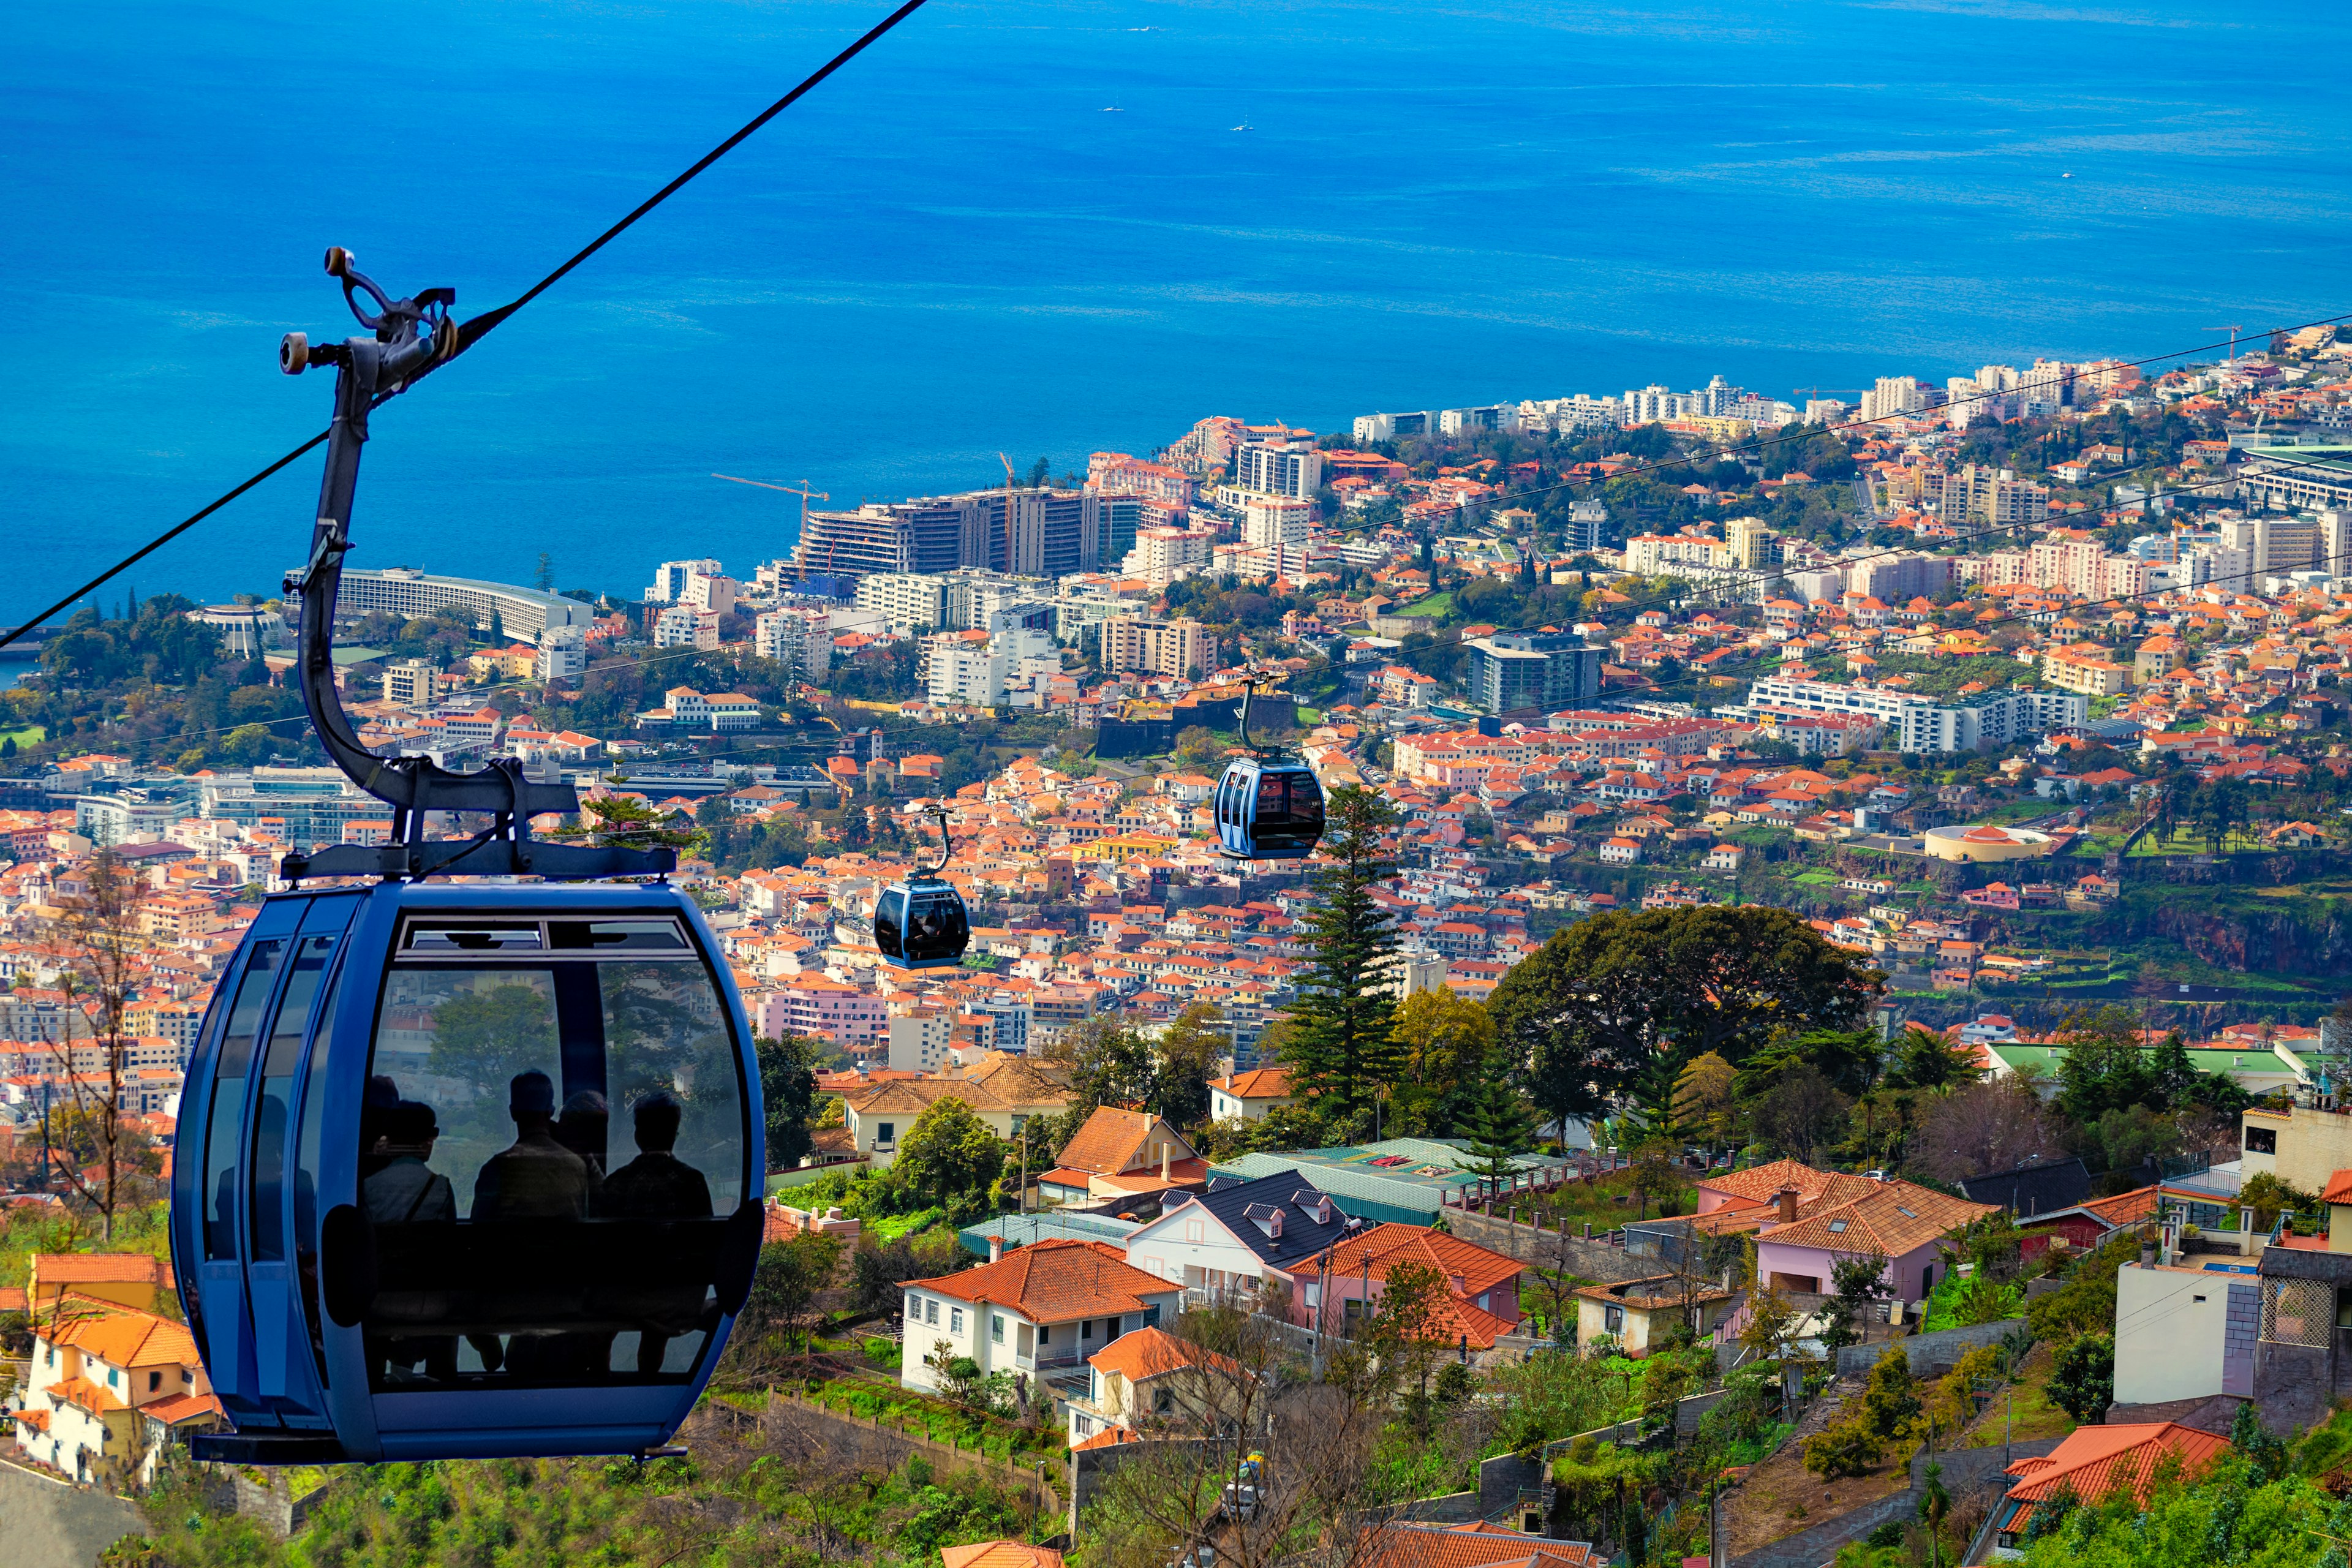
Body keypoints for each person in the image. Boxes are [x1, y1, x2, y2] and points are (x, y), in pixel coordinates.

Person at [470, 1071, 590, 1377]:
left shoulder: (496, 1168)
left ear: (512, 1112)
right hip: (566, 1296)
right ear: (551, 1112)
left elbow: (477, 1237)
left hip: (508, 1296)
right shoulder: (576, 1167)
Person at [599, 1090, 715, 1374]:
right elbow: (707, 1244)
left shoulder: (617, 1183)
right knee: (657, 1329)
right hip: (676, 1300)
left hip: (621, 1297)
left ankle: (602, 1379)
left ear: (638, 1135)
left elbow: (602, 1248)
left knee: (603, 1334)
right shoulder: (692, 1181)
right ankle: (647, 1379)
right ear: (674, 1134)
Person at [362, 1101, 458, 1381]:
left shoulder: (368, 1188)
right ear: (427, 1140)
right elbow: (450, 1250)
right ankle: (443, 1383)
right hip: (429, 1305)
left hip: (378, 1303)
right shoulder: (440, 1187)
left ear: (388, 1139)